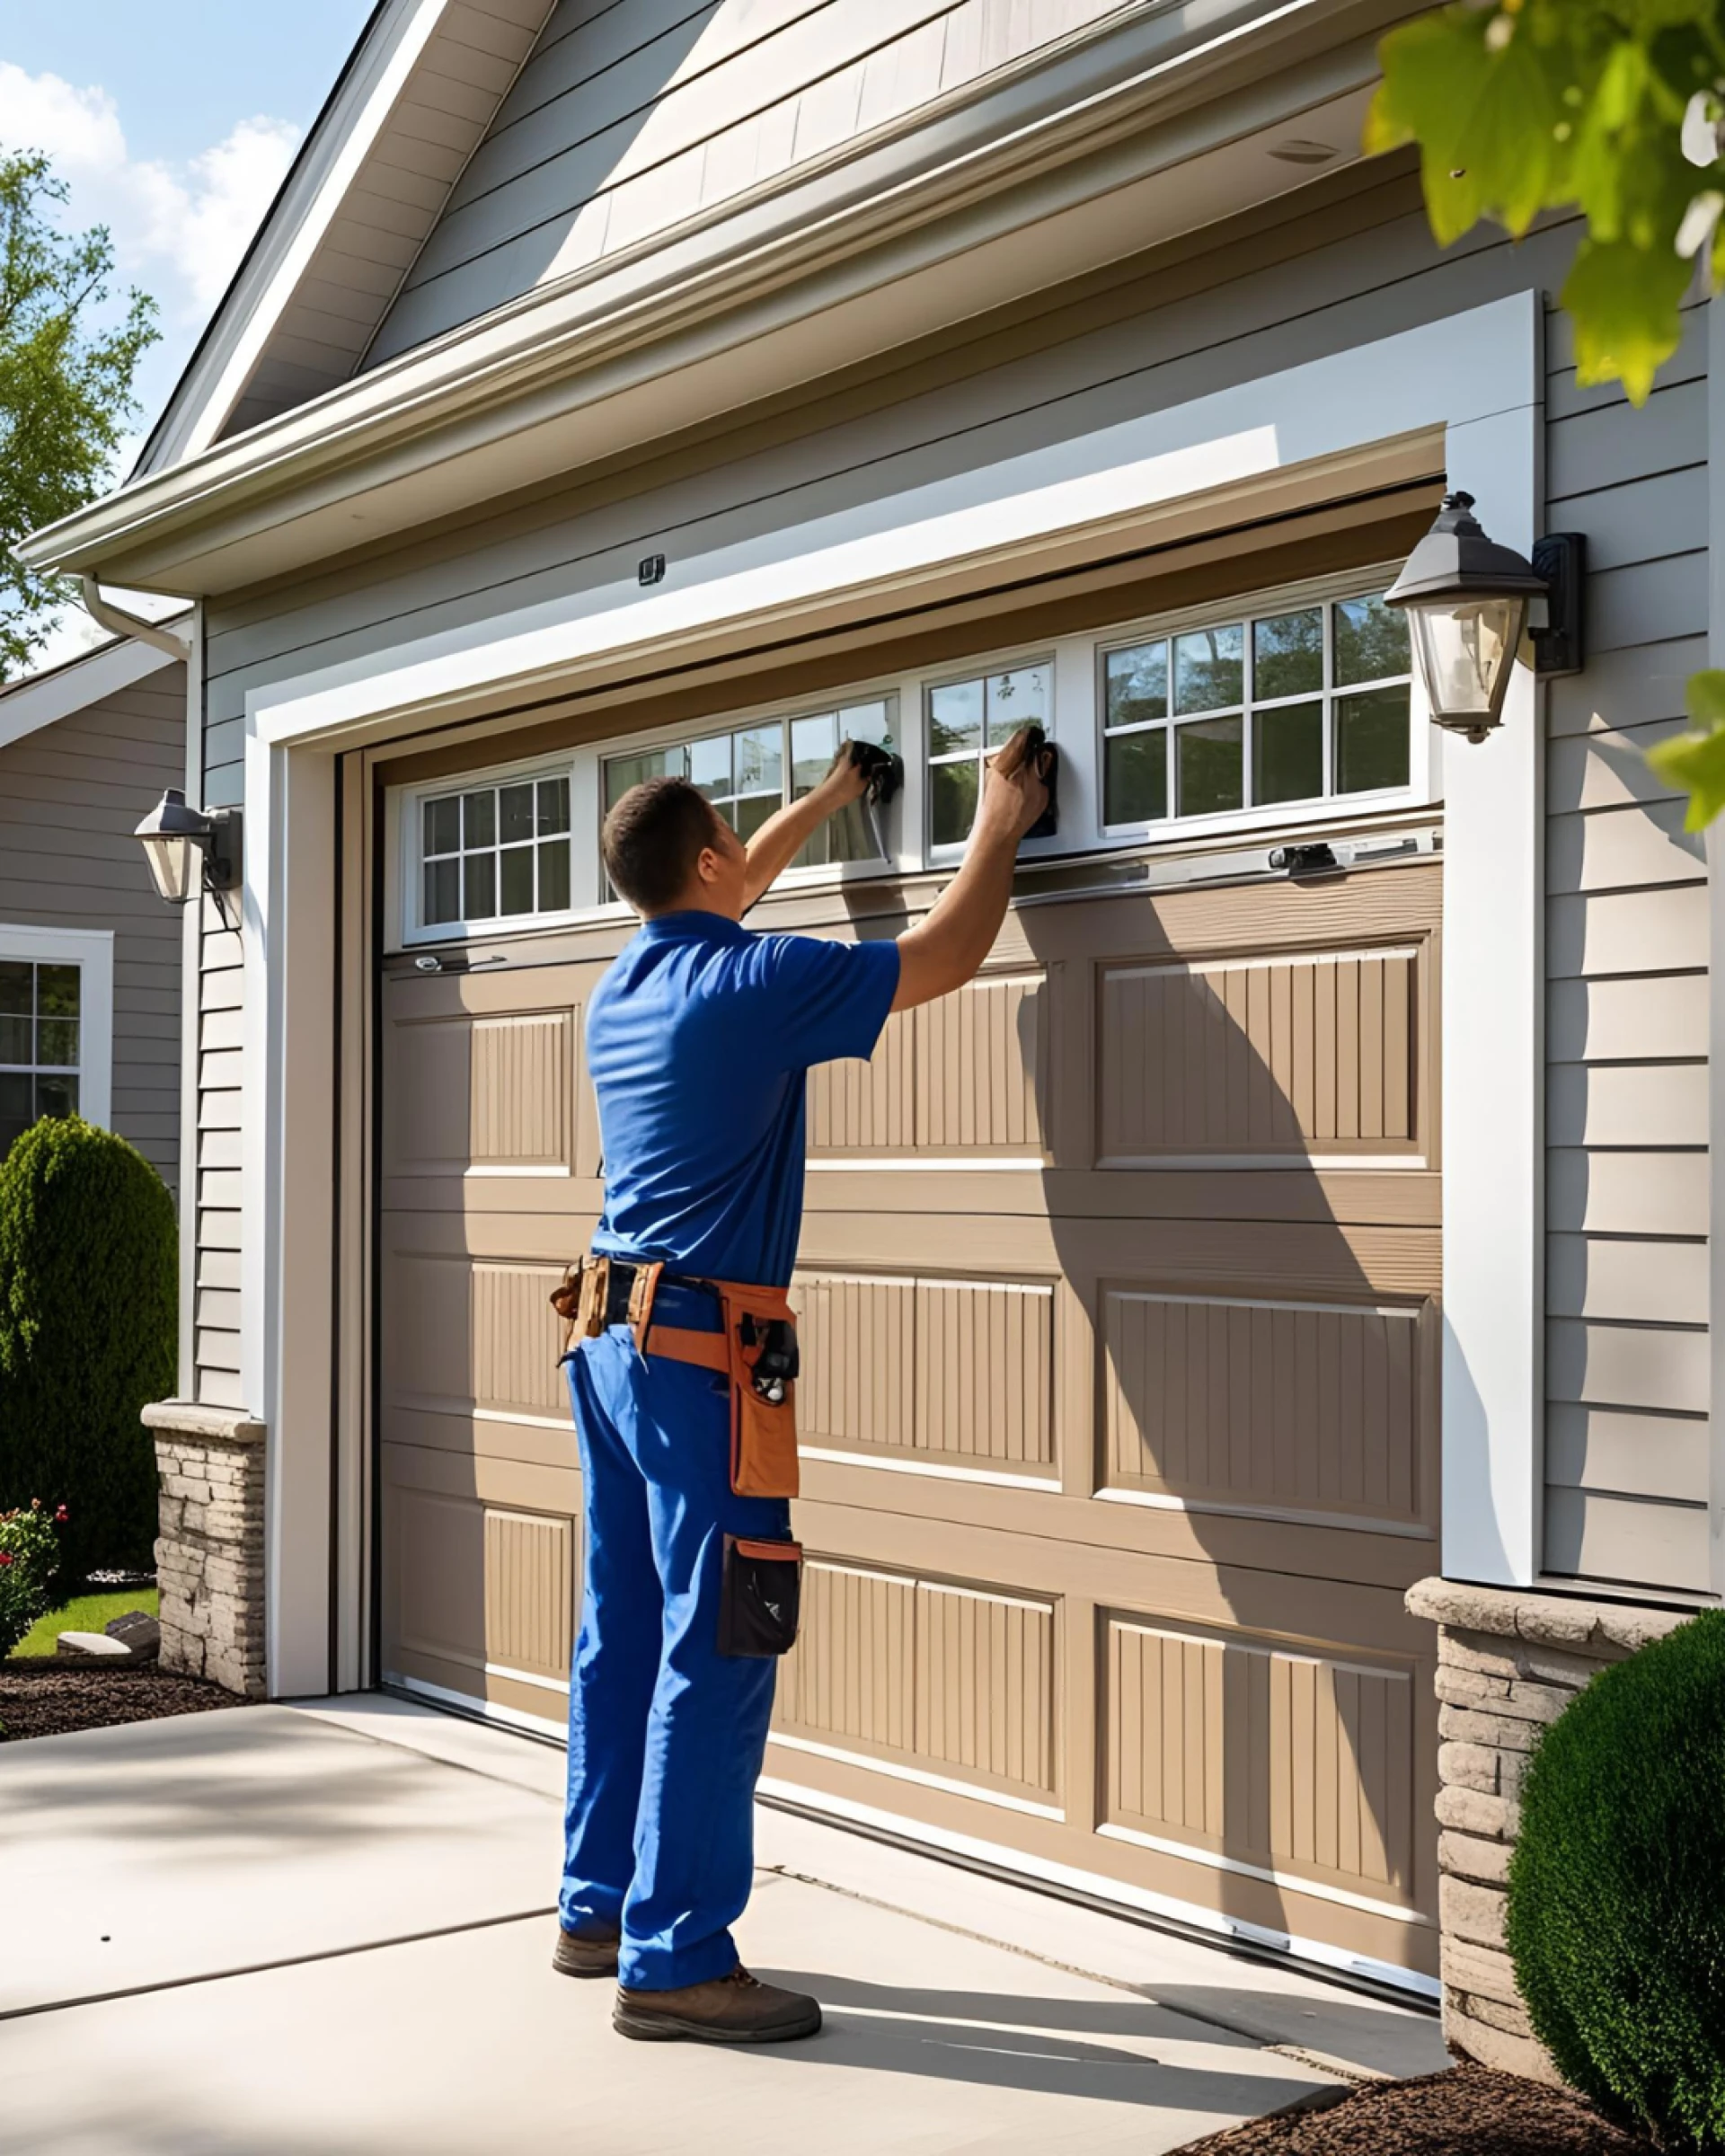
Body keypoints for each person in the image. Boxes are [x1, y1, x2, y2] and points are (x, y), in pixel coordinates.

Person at [553, 724, 1050, 2044]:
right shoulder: (754, 982)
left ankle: (597, 1907)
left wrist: (830, 798)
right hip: (701, 1364)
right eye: (738, 848)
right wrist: (999, 819)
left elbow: (736, 886)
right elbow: (944, 956)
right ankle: (674, 1963)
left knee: (623, 1633)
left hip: (606, 1344)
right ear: (707, 860)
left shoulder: (627, 985)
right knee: (719, 1640)